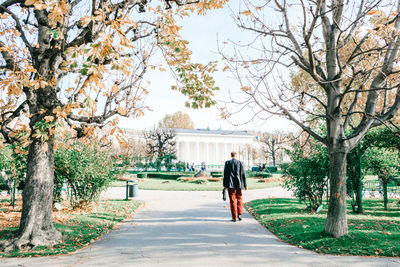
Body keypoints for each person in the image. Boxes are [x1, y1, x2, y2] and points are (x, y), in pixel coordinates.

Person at [223, 152, 247, 222]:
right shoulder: (240, 163)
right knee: (239, 198)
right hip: (238, 183)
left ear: (231, 155)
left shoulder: (227, 163)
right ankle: (239, 214)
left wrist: (224, 185)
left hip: (230, 184)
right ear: (236, 155)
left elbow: (225, 175)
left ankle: (234, 217)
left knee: (232, 200)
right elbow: (243, 174)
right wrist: (245, 185)